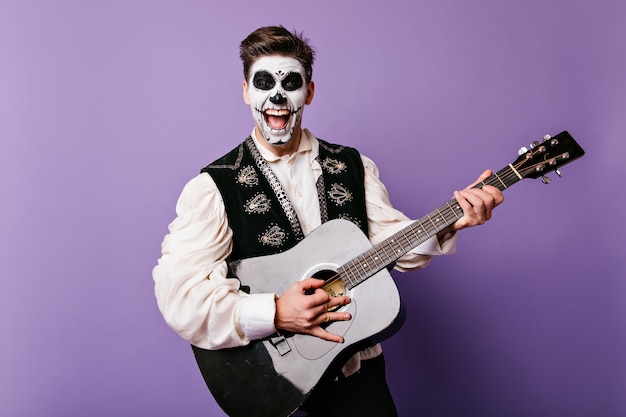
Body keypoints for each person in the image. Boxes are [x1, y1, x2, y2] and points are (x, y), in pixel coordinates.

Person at [153, 25, 504, 417]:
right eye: (264, 82)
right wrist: (272, 312)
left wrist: (450, 221)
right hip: (272, 384)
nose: (277, 96)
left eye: (291, 82)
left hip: (358, 378)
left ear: (310, 91)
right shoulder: (213, 187)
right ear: (246, 92)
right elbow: (180, 298)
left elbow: (394, 245)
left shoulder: (353, 165)